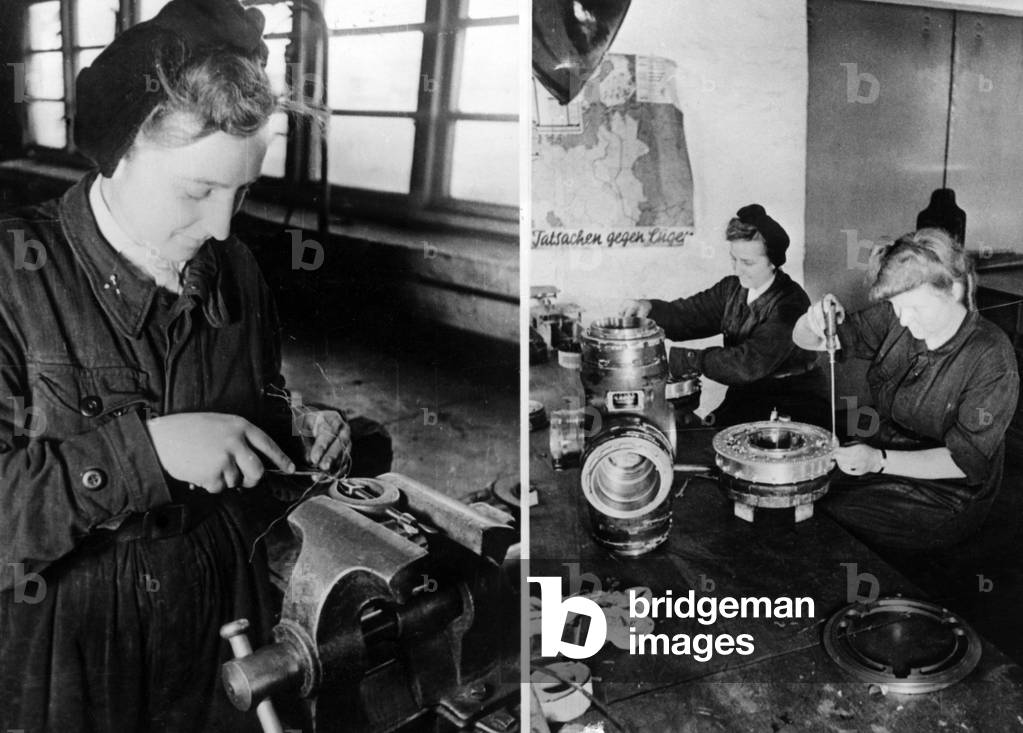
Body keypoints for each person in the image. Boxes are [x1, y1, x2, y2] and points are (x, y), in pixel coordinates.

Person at [0, 0, 371, 729]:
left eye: (244, 191)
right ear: (118, 152)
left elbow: (254, 418)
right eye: (197, 190)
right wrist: (149, 450)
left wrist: (301, 430)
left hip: (219, 631)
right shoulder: (15, 277)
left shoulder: (234, 271)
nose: (224, 226)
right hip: (69, 651)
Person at [793, 228, 1019, 551]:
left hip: (948, 493)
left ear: (953, 290)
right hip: (884, 451)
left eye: (916, 309)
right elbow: (808, 341)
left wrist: (878, 461)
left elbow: (964, 462)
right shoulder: (898, 315)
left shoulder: (991, 356)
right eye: (897, 308)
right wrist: (812, 320)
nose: (905, 320)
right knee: (807, 491)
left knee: (826, 518)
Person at [621, 204, 825, 427]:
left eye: (747, 262)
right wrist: (650, 309)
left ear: (773, 261)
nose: (737, 270)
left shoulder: (791, 303)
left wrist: (684, 360)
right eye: (734, 259)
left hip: (791, 405)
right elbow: (690, 315)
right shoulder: (732, 289)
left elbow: (747, 363)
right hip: (748, 396)